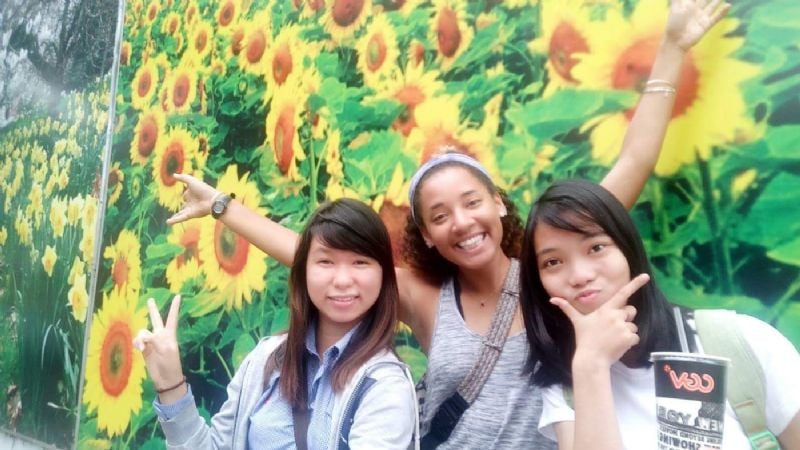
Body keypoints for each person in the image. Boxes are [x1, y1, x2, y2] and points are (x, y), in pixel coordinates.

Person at [165, 1, 727, 446]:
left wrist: (672, 48)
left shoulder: (550, 272)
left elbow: (633, 162)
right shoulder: (428, 299)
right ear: (428, 237)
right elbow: (314, 257)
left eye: (472, 202)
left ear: (499, 204)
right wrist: (223, 208)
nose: (461, 222)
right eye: (439, 216)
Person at [519, 179, 800, 450]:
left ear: (628, 248)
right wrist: (591, 365)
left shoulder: (739, 340)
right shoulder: (568, 384)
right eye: (552, 262)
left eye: (596, 247)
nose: (580, 275)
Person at [134, 199, 419, 449]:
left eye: (360, 263)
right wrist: (171, 385)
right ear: (303, 271)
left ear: (384, 275)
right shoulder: (265, 359)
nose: (342, 280)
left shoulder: (384, 386)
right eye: (326, 262)